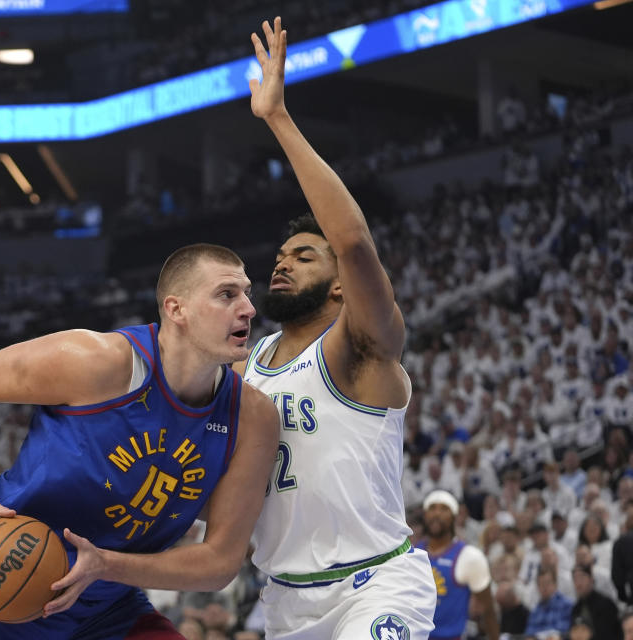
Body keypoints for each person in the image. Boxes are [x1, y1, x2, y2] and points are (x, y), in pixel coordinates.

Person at [0, 243, 279, 639]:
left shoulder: (253, 418)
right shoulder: (97, 361)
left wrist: (105, 565)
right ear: (177, 310)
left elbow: (219, 563)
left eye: (246, 293)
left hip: (105, 609)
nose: (248, 308)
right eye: (227, 294)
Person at [238, 16, 436, 640]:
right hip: (285, 601)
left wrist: (278, 119)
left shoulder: (360, 347)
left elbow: (351, 240)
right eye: (281, 255)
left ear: (343, 285)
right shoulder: (251, 362)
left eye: (303, 256)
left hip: (376, 585)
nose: (282, 262)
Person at [417, 491, 498, 640]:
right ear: (425, 515)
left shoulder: (470, 557)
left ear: (454, 516)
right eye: (432, 508)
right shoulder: (411, 554)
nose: (437, 514)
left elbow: (488, 610)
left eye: (444, 509)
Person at [570, 563, 619, 640]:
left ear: (591, 579)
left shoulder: (606, 604)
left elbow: (610, 634)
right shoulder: (576, 608)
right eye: (575, 579)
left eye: (582, 577)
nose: (578, 583)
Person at [525, 566, 573, 639]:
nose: (544, 587)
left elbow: (573, 632)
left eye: (547, 583)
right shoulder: (536, 611)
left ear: (555, 584)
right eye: (541, 584)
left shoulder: (567, 605)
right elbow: (529, 633)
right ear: (537, 587)